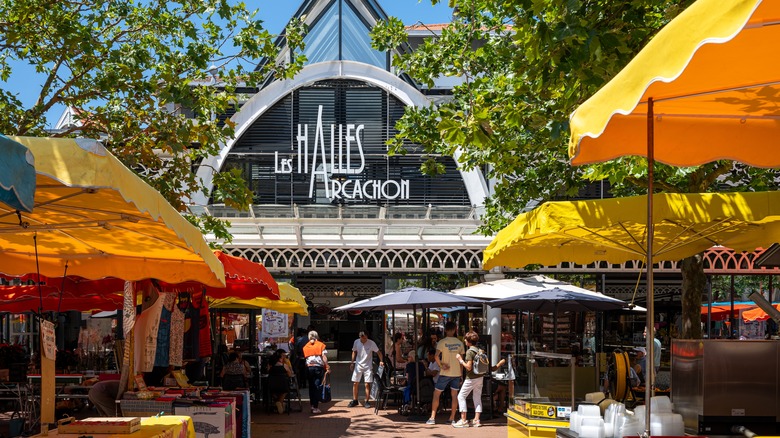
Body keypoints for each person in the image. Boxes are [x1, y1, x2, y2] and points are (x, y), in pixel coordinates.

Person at [426, 321, 463, 426]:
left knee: (436, 394)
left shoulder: (442, 342)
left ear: (446, 330)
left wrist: (441, 365)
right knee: (454, 395)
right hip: (456, 373)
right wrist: (461, 375)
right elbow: (461, 361)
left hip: (445, 372)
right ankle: (452, 418)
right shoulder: (460, 343)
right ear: (455, 329)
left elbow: (436, 356)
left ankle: (432, 417)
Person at [453, 331, 485, 428]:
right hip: (480, 377)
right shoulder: (480, 350)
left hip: (471, 378)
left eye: (465, 339)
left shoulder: (469, 352)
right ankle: (476, 420)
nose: (464, 341)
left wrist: (460, 360)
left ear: (468, 341)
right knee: (477, 397)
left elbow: (468, 367)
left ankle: (463, 420)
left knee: (461, 396)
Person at [347, 331, 384, 408]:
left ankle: (367, 401)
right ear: (359, 337)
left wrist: (381, 361)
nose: (363, 340)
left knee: (367, 384)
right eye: (362, 338)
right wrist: (352, 362)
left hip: (368, 366)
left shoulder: (371, 343)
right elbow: (354, 351)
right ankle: (355, 400)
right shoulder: (356, 342)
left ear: (367, 337)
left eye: (365, 338)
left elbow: (378, 352)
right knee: (355, 383)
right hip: (358, 365)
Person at [303, 330, 330, 414]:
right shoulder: (321, 345)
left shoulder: (306, 346)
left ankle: (312, 405)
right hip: (318, 368)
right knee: (317, 386)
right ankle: (315, 407)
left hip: (309, 368)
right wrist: (327, 366)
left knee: (311, 387)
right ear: (317, 336)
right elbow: (324, 357)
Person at [267, 349, 294, 414]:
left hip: (272, 385)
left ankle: (277, 402)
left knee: (272, 392)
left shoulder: (270, 366)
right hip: (283, 385)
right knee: (284, 392)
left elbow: (268, 372)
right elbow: (290, 375)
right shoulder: (284, 365)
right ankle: (280, 402)